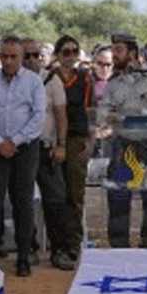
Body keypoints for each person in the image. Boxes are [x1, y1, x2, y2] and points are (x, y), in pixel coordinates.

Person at [0, 37, 46, 276]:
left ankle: (23, 257)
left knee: (22, 202)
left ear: (21, 58)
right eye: (4, 56)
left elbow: (38, 116)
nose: (8, 61)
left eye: (13, 57)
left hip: (24, 148)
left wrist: (15, 141)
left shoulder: (33, 82)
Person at [98, 33, 147, 250]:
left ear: (132, 53)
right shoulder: (114, 82)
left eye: (119, 50)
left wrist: (141, 117)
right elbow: (103, 111)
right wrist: (111, 116)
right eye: (113, 49)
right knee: (119, 195)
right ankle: (119, 245)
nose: (114, 54)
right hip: (123, 143)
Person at [23, 38, 73, 270]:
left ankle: (60, 250)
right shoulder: (13, 81)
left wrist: (61, 145)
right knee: (23, 201)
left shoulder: (52, 80)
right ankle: (28, 249)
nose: (31, 60)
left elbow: (61, 115)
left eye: (36, 55)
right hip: (21, 149)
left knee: (56, 200)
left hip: (46, 149)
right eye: (26, 56)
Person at [55, 35, 94, 261]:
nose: (70, 56)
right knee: (55, 194)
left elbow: (90, 111)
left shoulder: (84, 78)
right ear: (57, 55)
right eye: (66, 52)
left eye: (74, 52)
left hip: (76, 140)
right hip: (54, 140)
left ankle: (74, 244)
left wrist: (91, 140)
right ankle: (57, 244)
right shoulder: (50, 78)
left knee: (75, 194)